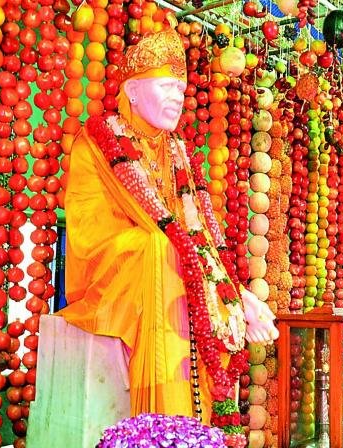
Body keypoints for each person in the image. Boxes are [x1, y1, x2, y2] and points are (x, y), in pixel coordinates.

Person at [31, 22, 278, 443]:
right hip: (108, 263)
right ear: (131, 90)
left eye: (181, 90)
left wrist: (236, 294)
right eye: (165, 87)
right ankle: (167, 423)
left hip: (170, 261)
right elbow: (137, 228)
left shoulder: (179, 150)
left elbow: (197, 234)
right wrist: (229, 297)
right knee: (159, 247)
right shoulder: (101, 136)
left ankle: (194, 428)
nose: (177, 98)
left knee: (170, 250)